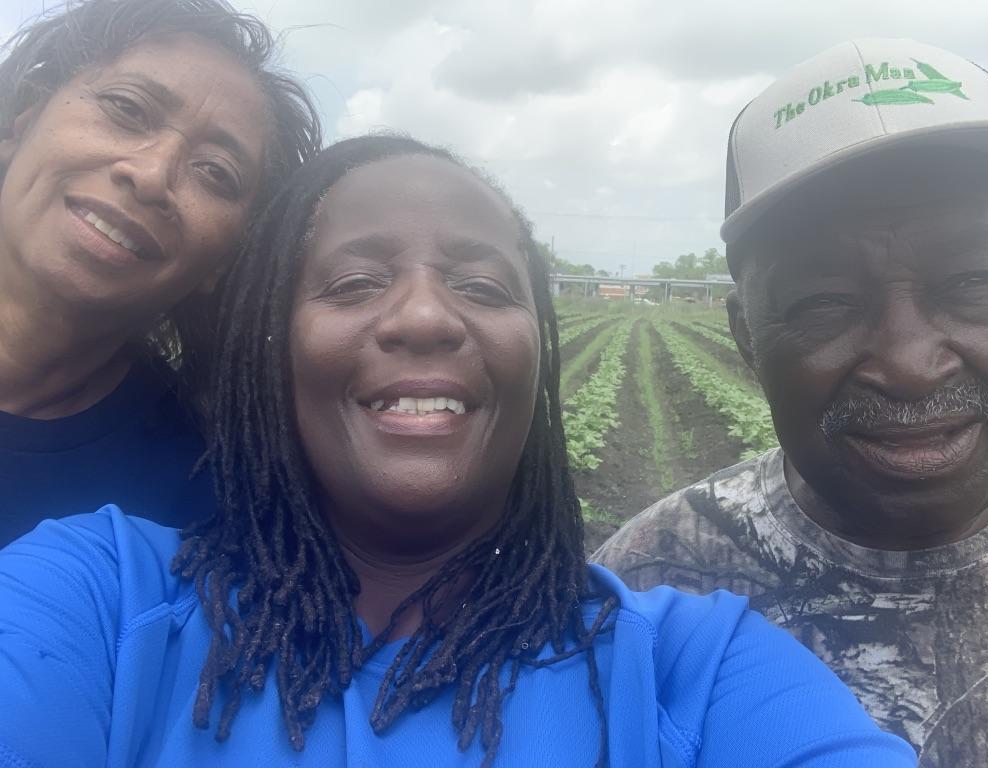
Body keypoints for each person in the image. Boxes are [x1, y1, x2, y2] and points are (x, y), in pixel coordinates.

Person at [0, 135, 915, 767]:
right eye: (355, 282)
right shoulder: (99, 602)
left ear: (538, 350)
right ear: (265, 348)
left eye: (481, 284)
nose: (427, 316)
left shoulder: (692, 674)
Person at [592, 38, 988, 768]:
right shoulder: (646, 594)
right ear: (746, 336)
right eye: (826, 300)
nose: (909, 365)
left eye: (973, 281)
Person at [0, 0, 321, 546]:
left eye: (215, 172)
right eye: (127, 108)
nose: (151, 175)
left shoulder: (206, 503)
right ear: (23, 124)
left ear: (224, 263)